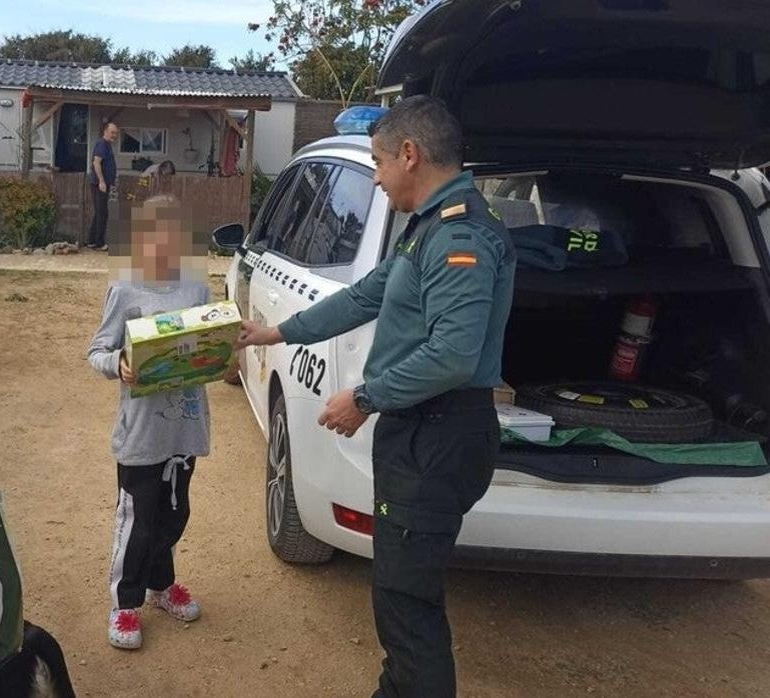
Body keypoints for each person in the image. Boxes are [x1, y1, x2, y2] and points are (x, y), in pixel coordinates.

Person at [237, 95, 516, 698]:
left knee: (407, 604)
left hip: (437, 435)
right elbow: (362, 297)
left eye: (381, 162)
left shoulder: (458, 238)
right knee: (398, 592)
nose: (381, 178)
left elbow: (452, 355)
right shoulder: (427, 229)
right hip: (421, 434)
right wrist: (275, 332)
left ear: (410, 155)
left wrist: (364, 397)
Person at [87, 194, 208, 650]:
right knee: (137, 520)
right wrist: (117, 361)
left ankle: (162, 586)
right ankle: (124, 603)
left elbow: (207, 344)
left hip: (184, 430)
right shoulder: (126, 291)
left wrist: (224, 355)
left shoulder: (196, 289)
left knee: (173, 515)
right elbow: (96, 351)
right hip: (141, 434)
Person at [87, 121, 119, 251]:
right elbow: (96, 163)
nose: (114, 135)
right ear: (105, 131)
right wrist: (101, 181)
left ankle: (92, 241)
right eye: (112, 132)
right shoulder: (102, 144)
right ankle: (99, 242)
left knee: (99, 212)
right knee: (103, 213)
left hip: (102, 184)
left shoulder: (107, 145)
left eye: (116, 133)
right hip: (99, 184)